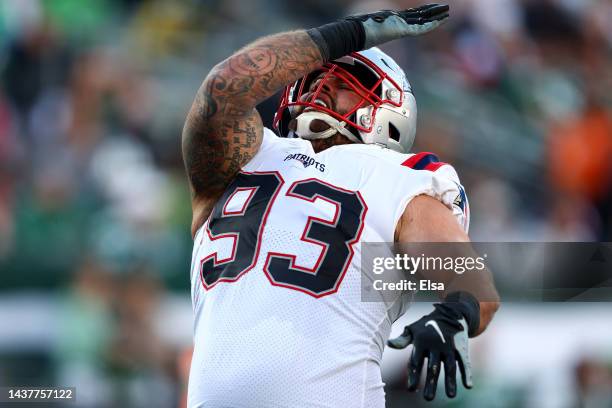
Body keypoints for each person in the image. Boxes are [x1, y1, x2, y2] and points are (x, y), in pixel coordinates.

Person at [182, 5, 500, 407]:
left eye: (346, 81)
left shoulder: (397, 176)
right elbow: (223, 85)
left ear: (391, 112)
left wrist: (454, 314)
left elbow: (471, 280)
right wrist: (347, 33)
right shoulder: (246, 154)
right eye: (315, 77)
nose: (322, 87)